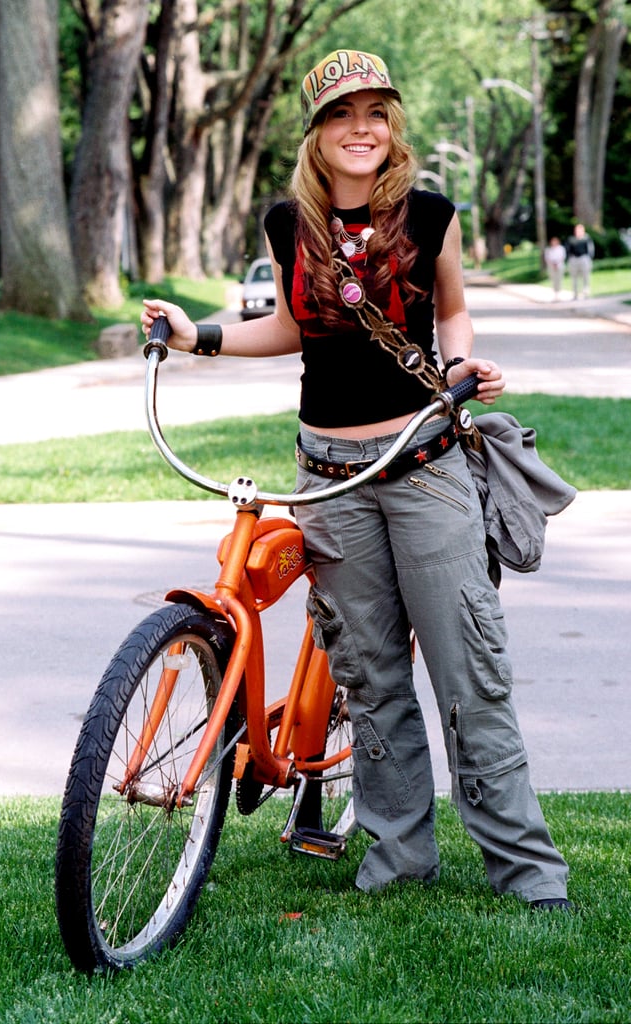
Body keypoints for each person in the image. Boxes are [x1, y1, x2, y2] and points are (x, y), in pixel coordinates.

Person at [141, 49, 573, 911]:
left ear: (392, 126)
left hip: (423, 467)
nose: (361, 129)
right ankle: (398, 859)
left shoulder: (429, 215)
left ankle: (527, 872)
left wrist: (460, 367)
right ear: (316, 134)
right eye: (341, 115)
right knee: (368, 677)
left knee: (469, 672)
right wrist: (201, 339)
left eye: (375, 112)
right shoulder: (286, 225)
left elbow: (449, 308)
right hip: (328, 477)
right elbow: (297, 329)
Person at [565, 223, 594, 299]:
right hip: (574, 259)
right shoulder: (571, 239)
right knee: (574, 278)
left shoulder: (586, 238)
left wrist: (590, 258)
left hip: (584, 258)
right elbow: (568, 250)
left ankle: (586, 292)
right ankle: (575, 294)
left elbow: (590, 249)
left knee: (586, 276)